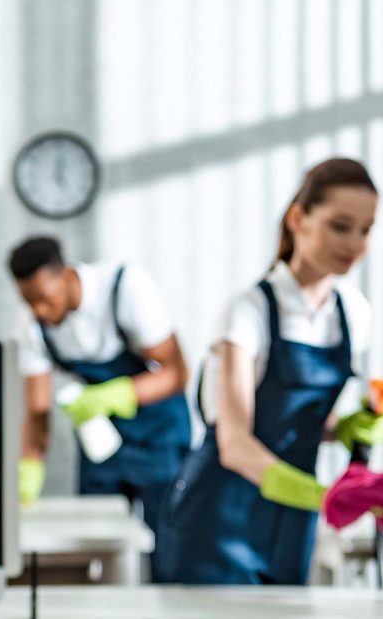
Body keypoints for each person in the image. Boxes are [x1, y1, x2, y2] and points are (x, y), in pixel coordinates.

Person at [157, 158, 383, 585]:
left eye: (366, 229)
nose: (353, 242)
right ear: (298, 218)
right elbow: (236, 444)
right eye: (340, 225)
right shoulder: (249, 311)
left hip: (291, 519)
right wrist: (326, 496)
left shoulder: (354, 313)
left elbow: (307, 422)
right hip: (220, 515)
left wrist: (350, 427)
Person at [8, 237, 192, 567]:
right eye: (29, 302)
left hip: (159, 437)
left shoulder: (126, 289)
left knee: (168, 549)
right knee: (98, 546)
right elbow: (37, 411)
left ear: (65, 275)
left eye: (45, 300)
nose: (39, 311)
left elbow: (177, 373)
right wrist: (30, 467)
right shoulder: (32, 326)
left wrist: (119, 394)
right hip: (102, 444)